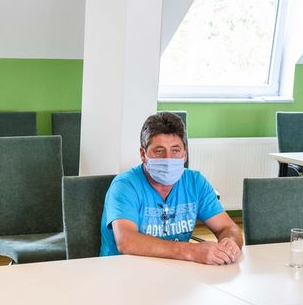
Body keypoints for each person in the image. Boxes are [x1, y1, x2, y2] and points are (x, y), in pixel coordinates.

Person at [100, 112, 243, 264]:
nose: (168, 159)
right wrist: (192, 251)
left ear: (185, 153)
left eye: (175, 150)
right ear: (143, 154)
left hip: (175, 271)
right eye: (159, 151)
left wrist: (230, 243)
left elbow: (228, 228)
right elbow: (127, 241)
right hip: (122, 270)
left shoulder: (195, 182)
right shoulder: (125, 185)